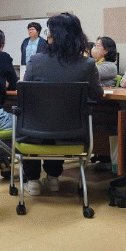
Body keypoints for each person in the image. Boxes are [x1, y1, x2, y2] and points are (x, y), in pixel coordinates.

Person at [22, 13, 102, 195]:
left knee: (37, 120)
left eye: (49, 31)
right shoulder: (88, 64)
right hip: (73, 130)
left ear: (53, 35)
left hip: (35, 128)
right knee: (58, 121)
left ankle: (33, 181)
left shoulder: (35, 61)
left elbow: (25, 95)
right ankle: (53, 178)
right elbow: (97, 94)